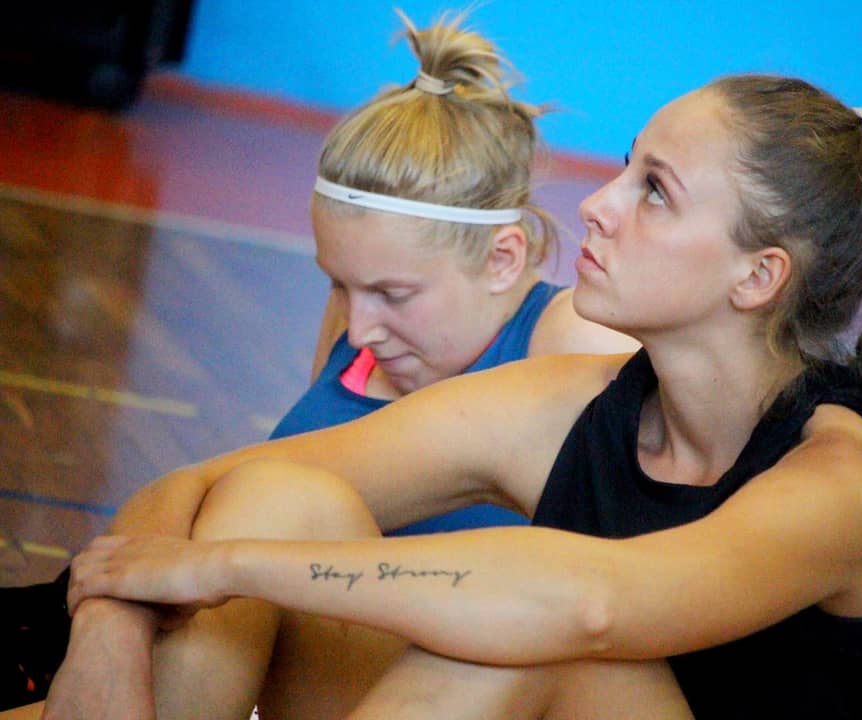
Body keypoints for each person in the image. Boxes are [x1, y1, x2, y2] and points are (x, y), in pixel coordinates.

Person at [45, 73, 862, 719]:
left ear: (758, 276)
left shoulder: (842, 481)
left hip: (548, 673)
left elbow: (591, 608)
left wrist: (226, 569)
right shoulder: (569, 408)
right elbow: (206, 483)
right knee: (278, 497)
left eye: (654, 192)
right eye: (626, 167)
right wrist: (109, 623)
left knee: (527, 648)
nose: (597, 204)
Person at [0, 9, 636, 715]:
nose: (359, 326)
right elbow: (197, 485)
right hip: (295, 682)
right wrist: (107, 624)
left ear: (504, 258)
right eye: (339, 284)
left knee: (279, 500)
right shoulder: (368, 329)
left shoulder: (575, 343)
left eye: (393, 293)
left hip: (449, 691)